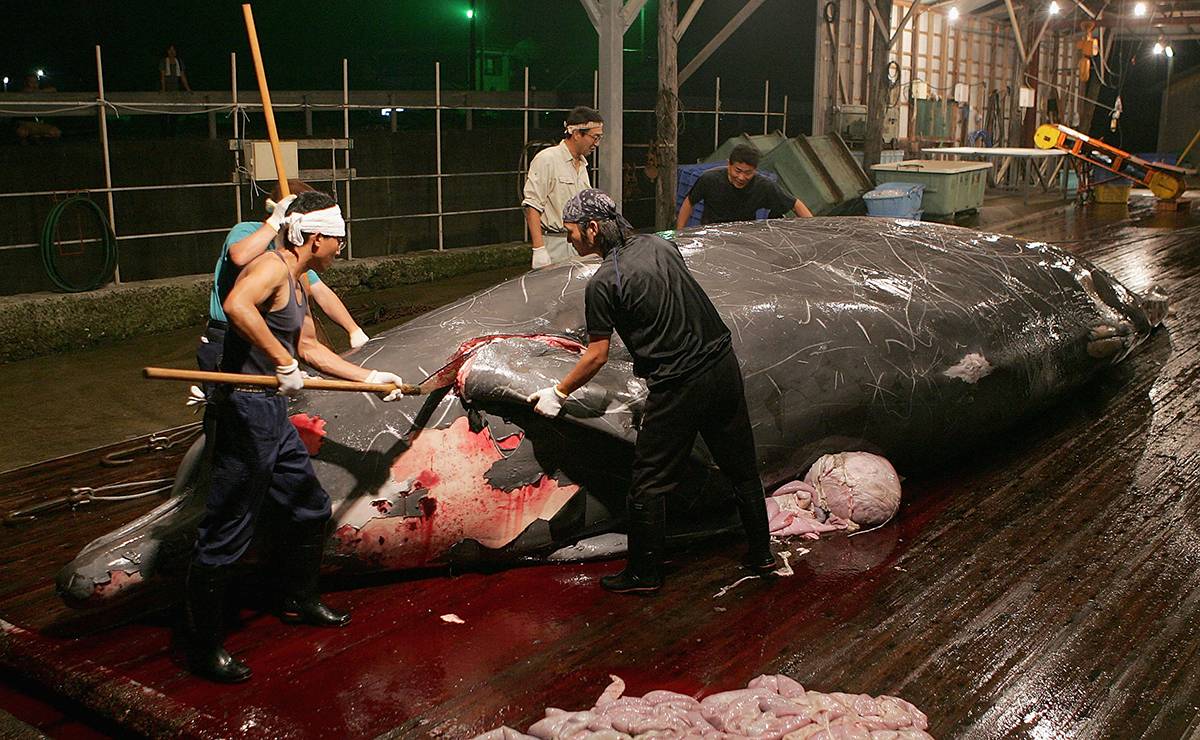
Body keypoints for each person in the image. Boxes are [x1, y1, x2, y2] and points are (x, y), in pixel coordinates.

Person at [185, 191, 405, 683]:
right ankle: (202, 646)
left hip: (271, 410)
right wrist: (278, 360)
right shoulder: (271, 267)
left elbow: (307, 346)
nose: (342, 247)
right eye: (339, 238)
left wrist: (367, 378)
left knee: (307, 505)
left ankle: (298, 598)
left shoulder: (300, 281)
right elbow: (236, 303)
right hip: (245, 407)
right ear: (318, 236)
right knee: (228, 525)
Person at [527, 189, 777, 594]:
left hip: (680, 383)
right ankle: (762, 554)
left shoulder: (604, 281)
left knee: (648, 482)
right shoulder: (661, 244)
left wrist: (559, 391)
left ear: (592, 228)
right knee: (742, 467)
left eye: (571, 231)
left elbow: (596, 356)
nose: (569, 239)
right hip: (722, 364)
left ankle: (644, 575)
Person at [197, 180, 369, 386]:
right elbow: (239, 258)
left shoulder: (298, 267)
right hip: (226, 335)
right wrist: (274, 223)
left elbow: (320, 297)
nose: (339, 250)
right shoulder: (257, 241)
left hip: (268, 344)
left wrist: (354, 332)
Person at [521, 106, 603, 269]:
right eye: (594, 137)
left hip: (580, 244)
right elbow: (532, 205)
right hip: (555, 243)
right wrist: (539, 249)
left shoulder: (582, 165)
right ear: (577, 134)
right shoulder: (547, 159)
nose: (596, 144)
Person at [675, 144, 813, 230]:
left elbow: (796, 204)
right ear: (729, 164)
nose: (741, 178)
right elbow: (689, 202)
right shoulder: (710, 179)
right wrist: (680, 232)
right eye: (738, 171)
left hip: (744, 238)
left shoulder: (763, 186)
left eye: (748, 173)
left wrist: (815, 229)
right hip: (711, 233)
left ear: (755, 170)